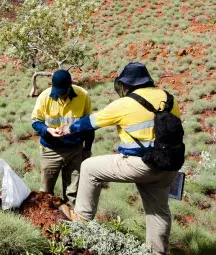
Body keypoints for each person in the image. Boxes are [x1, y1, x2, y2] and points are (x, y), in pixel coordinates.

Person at [57, 62, 181, 255]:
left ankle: (80, 219)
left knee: (89, 167)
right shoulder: (169, 99)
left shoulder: (125, 104)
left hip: (140, 165)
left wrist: (67, 128)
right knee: (158, 212)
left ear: (127, 85)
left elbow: (91, 122)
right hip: (168, 165)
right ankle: (158, 252)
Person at [31, 69, 94, 206]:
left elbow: (89, 125)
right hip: (50, 150)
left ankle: (71, 222)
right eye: (58, 91)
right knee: (46, 193)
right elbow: (35, 122)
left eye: (63, 91)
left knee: (73, 194)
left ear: (70, 85)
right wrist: (48, 130)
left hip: (74, 151)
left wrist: (87, 149)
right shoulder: (45, 97)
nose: (61, 95)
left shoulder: (83, 96)